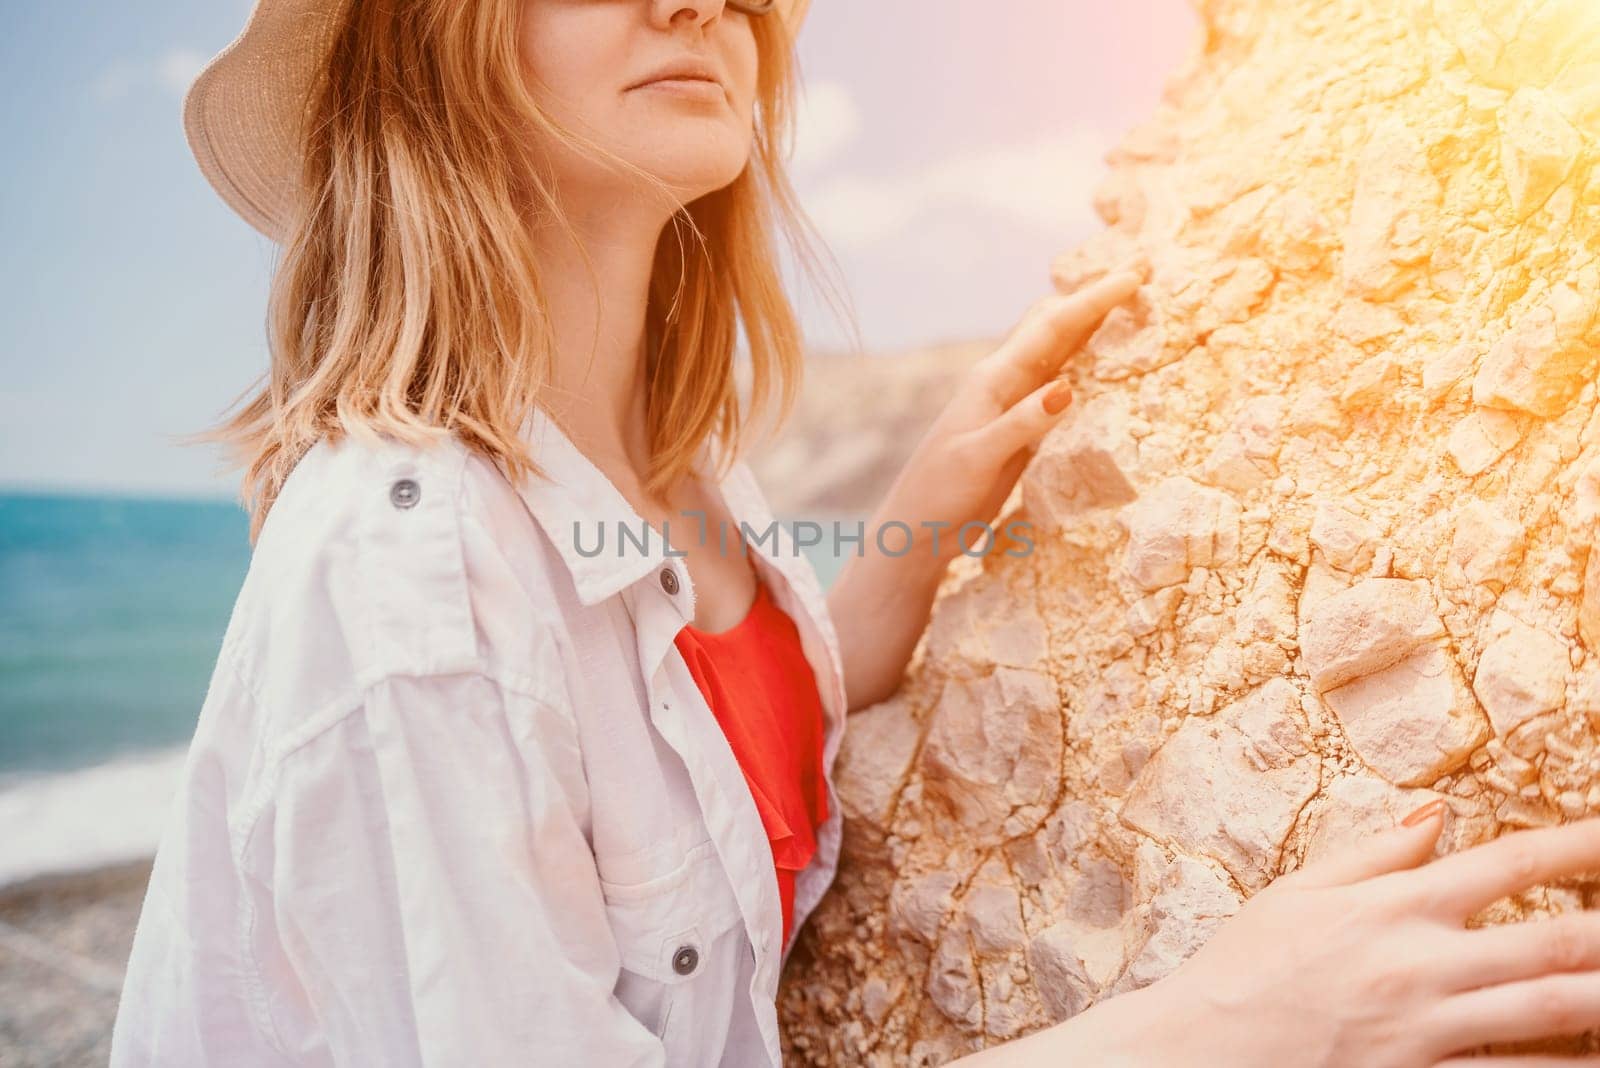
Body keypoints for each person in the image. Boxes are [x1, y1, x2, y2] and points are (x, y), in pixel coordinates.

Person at [106, 0, 1600, 1065]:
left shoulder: (681, 478)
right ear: (422, 52)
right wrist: (1235, 1024)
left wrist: (925, 519)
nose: (702, 7)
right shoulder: (406, 567)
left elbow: (731, 757)